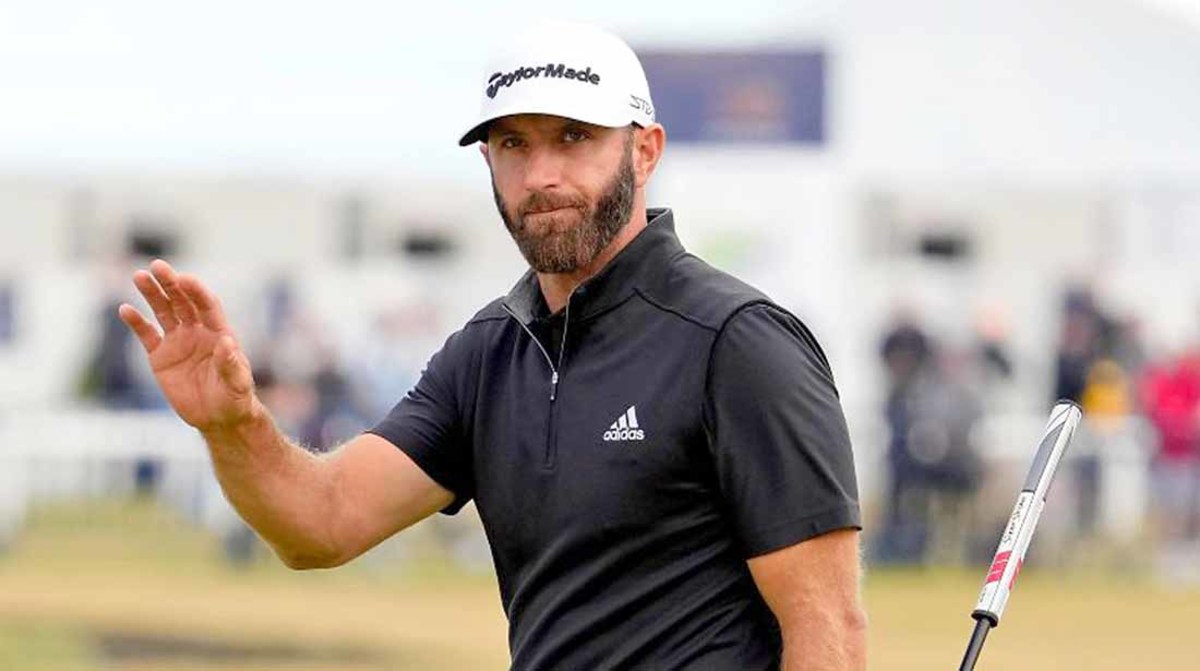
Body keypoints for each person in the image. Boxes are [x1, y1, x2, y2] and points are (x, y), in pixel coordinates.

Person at [117, 21, 866, 670]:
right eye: (514, 144)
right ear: (487, 162)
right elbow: (321, 522)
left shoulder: (737, 341)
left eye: (575, 137)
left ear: (645, 151)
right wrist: (234, 424)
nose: (541, 175)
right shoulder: (487, 352)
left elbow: (827, 629)